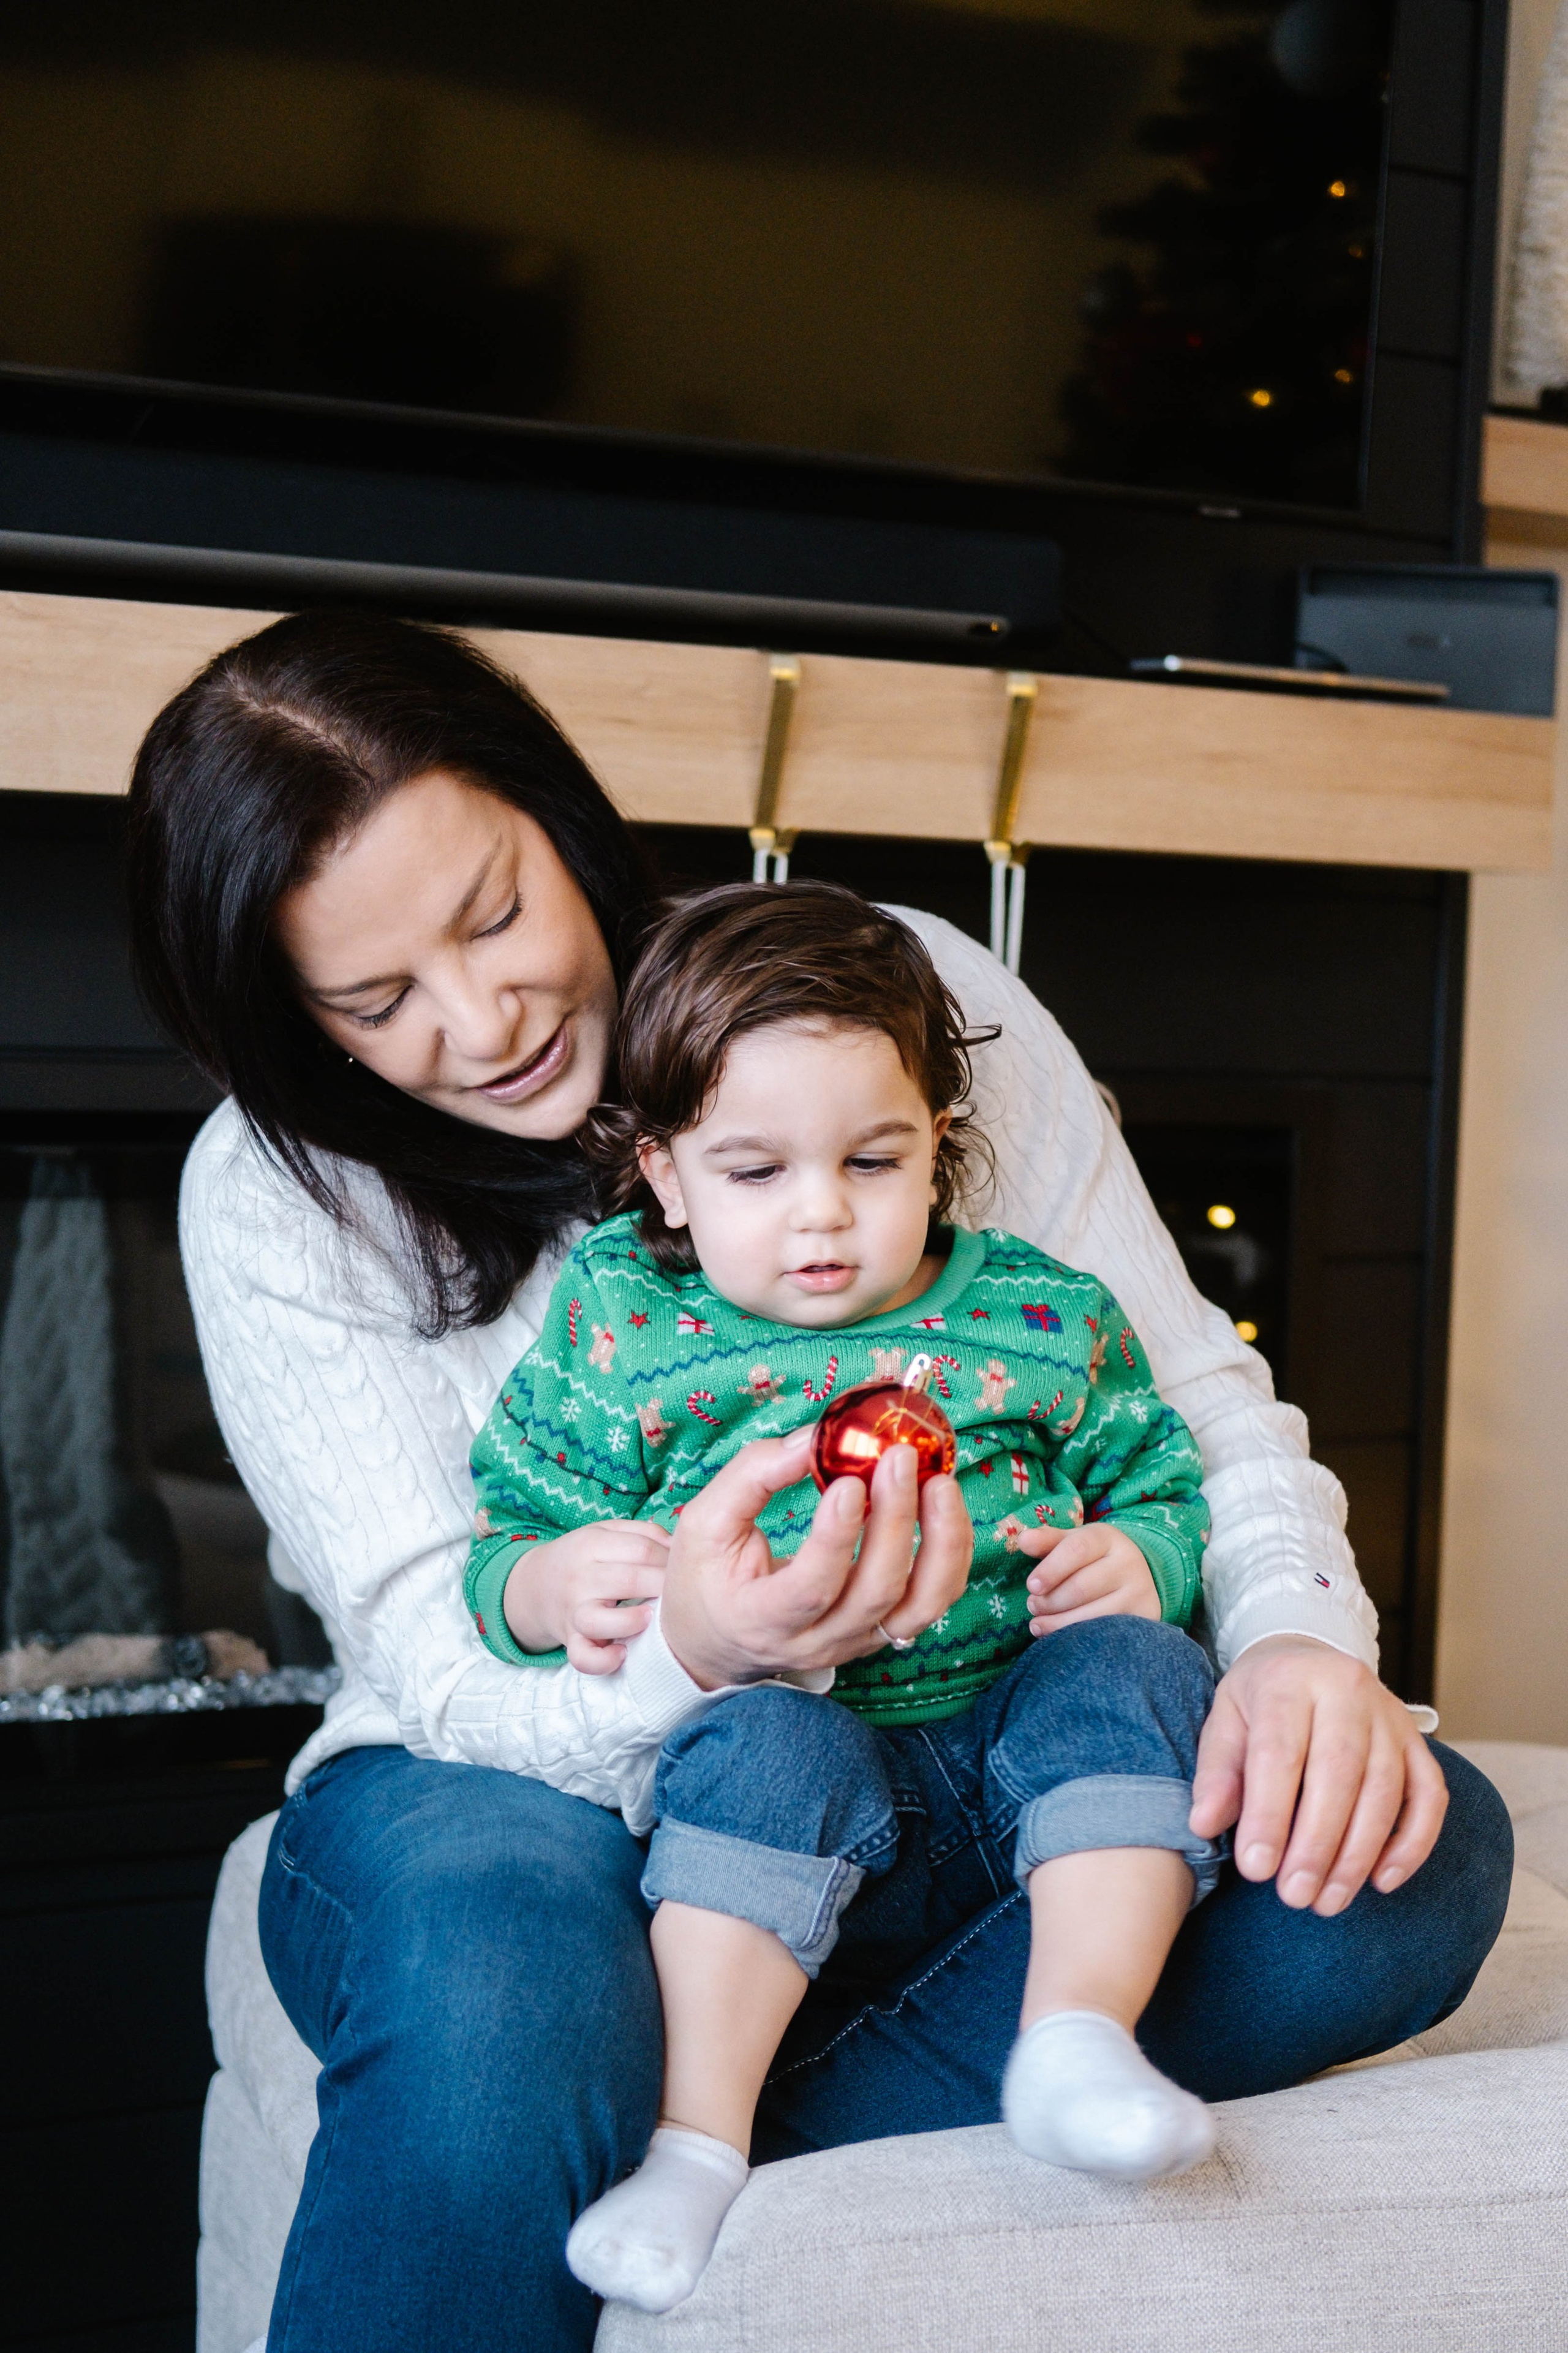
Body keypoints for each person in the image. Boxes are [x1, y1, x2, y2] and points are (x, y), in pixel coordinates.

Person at [124, 609, 1512, 2353]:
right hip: (503, 1773)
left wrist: (1298, 1639)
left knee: (1409, 1853)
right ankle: (664, 2135)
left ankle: (702, 2160)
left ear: (560, 816)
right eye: (380, 999)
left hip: (961, 1744)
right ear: (292, 1017)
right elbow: (436, 1644)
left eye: (495, 913)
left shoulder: (892, 994)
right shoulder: (278, 1195)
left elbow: (1185, 1394)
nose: (486, 1023)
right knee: (503, 1991)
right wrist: (689, 1647)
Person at [466, 882, 1224, 2315]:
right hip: (798, 1774)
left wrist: (1144, 1562)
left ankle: (1073, 2037)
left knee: (1138, 1669)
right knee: (753, 1737)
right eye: (753, 1173)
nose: (820, 1217)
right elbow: (502, 1539)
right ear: (663, 1176)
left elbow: (1160, 1473)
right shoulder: (623, 1324)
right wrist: (552, 1581)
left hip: (1024, 1763)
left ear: (938, 1149)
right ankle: (696, 2142)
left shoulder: (1040, 1312)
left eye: (870, 1161)